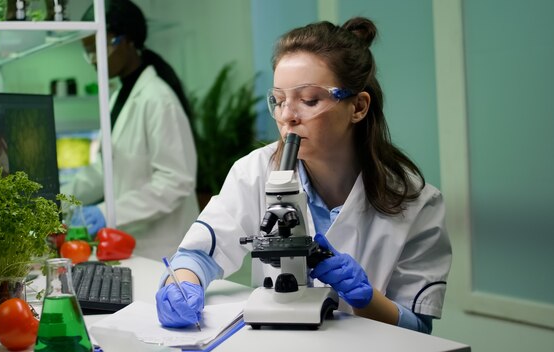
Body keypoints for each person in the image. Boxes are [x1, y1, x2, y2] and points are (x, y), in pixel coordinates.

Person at [155, 18, 451, 334]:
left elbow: (418, 328)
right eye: (280, 101)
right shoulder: (255, 171)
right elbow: (198, 256)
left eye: (309, 100)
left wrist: (366, 299)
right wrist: (183, 286)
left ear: (358, 107)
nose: (287, 116)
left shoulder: (417, 202)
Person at [61, 0, 199, 260]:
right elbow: (105, 168)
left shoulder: (158, 98)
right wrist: (60, 199)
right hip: (131, 244)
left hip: (163, 249)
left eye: (98, 50)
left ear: (126, 41)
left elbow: (175, 181)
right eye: (87, 53)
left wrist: (107, 212)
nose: (93, 61)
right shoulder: (119, 96)